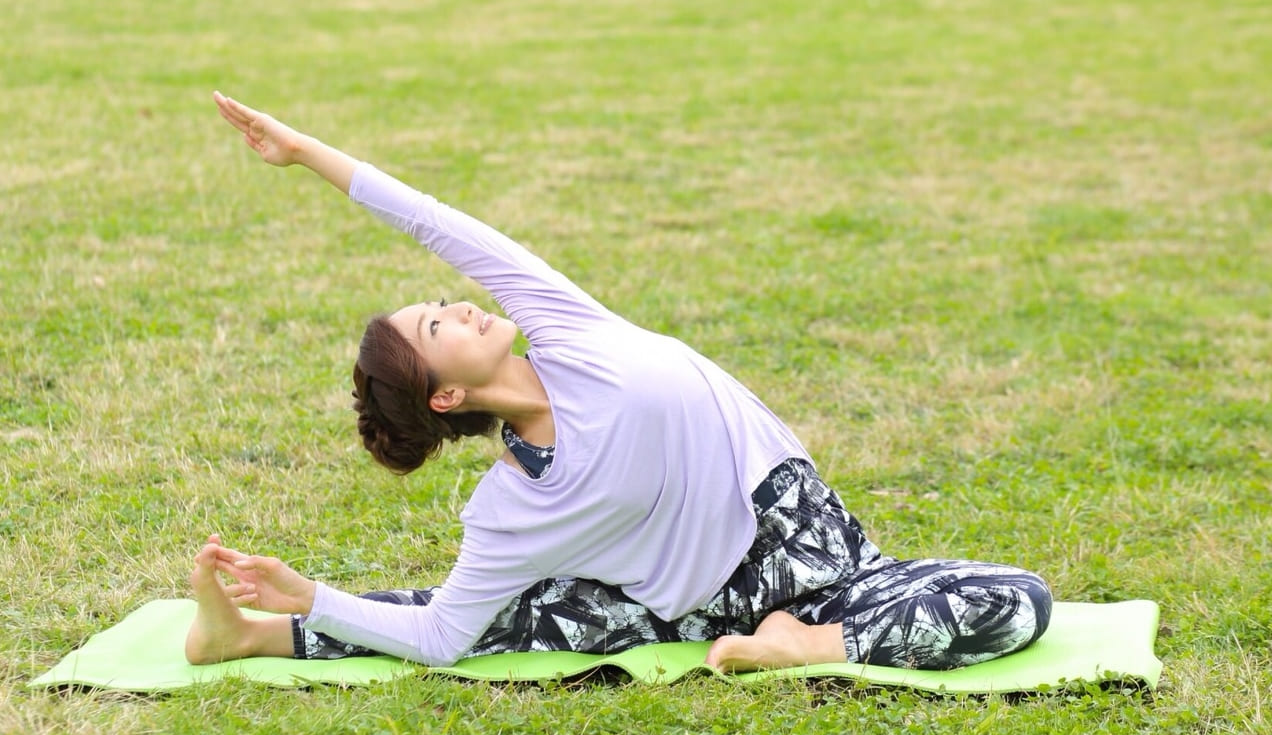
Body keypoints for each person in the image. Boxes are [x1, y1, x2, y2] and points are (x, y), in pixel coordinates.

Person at [186, 91, 1053, 673]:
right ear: (444, 397)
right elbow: (444, 635)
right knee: (510, 611)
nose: (460, 307)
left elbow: (437, 223)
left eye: (443, 302)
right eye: (437, 326)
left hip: (817, 555)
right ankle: (257, 631)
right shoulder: (509, 506)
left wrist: (306, 154)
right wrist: (311, 597)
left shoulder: (567, 327)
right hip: (698, 609)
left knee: (1017, 601)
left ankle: (808, 642)